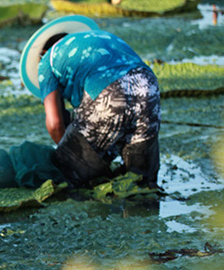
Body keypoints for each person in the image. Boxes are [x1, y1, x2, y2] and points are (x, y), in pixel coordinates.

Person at [19, 15, 161, 188]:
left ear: (41, 53)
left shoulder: (47, 61)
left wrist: (69, 152)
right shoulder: (100, 38)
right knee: (142, 183)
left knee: (70, 173)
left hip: (109, 93)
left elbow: (55, 124)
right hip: (148, 86)